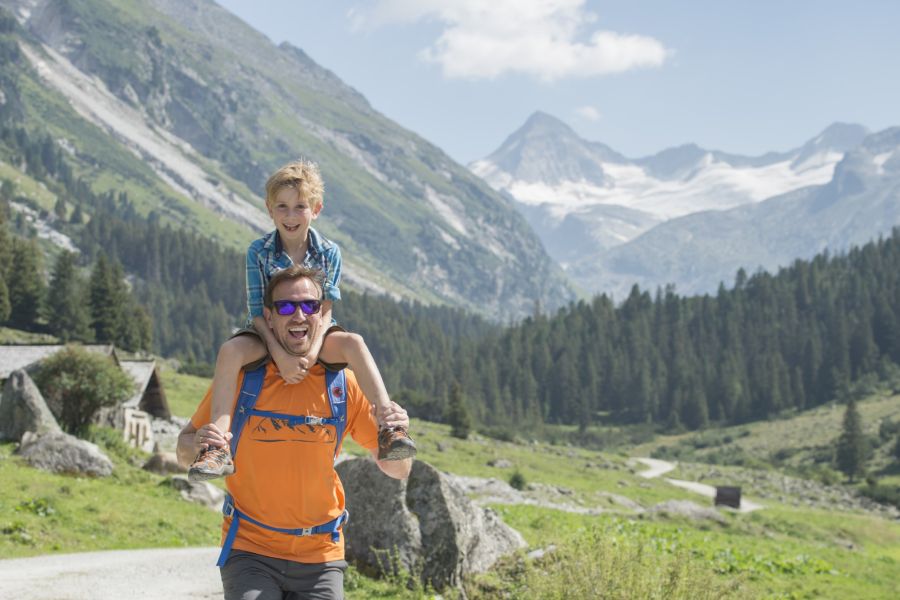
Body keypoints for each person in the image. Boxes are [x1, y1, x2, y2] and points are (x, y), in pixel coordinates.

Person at [177, 265, 413, 599]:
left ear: (322, 315)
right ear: (269, 318)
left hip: (321, 556)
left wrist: (396, 426)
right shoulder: (244, 379)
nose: (298, 315)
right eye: (286, 307)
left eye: (309, 306)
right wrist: (199, 444)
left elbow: (398, 470)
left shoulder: (342, 385)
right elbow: (183, 447)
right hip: (250, 551)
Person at [189, 159, 415, 481]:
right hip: (268, 331)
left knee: (355, 343)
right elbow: (256, 311)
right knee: (231, 351)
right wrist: (279, 355)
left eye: (300, 207)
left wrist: (310, 353)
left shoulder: (329, 252)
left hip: (315, 330)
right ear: (270, 210)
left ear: (316, 209)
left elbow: (326, 309)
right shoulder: (258, 251)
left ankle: (390, 426)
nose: (291, 216)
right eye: (282, 207)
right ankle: (218, 445)